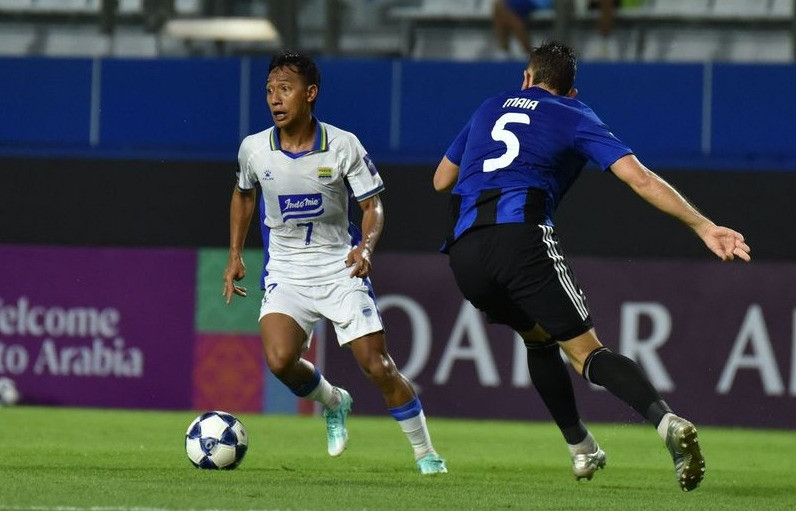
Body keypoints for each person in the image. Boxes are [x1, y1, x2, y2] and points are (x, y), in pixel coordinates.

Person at [433, 41, 750, 491]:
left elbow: (441, 179)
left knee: (536, 338)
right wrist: (704, 226)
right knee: (587, 354)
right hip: (520, 237)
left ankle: (580, 447)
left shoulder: (489, 107)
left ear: (526, 77)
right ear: (571, 91)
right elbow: (637, 176)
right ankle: (667, 424)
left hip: (464, 254)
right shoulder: (574, 114)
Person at [223, 51, 447, 475]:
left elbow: (373, 207)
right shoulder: (254, 148)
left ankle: (425, 453)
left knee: (376, 366)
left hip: (337, 267)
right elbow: (243, 194)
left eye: (285, 89)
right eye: (270, 90)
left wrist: (365, 248)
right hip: (287, 272)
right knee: (279, 360)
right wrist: (235, 255)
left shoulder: (343, 145)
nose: (275, 98)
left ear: (310, 94)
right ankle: (333, 401)